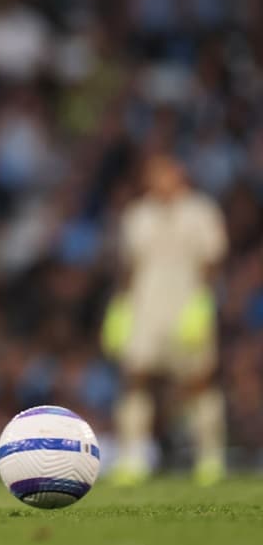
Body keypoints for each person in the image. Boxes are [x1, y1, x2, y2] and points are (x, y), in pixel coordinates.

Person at [103, 152, 229, 486]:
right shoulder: (137, 215)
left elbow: (213, 261)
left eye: (165, 174)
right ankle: (133, 458)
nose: (159, 181)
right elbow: (128, 266)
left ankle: (210, 458)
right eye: (152, 175)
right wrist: (120, 308)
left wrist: (203, 305)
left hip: (186, 305)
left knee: (198, 381)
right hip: (145, 309)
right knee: (135, 378)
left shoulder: (201, 211)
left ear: (179, 173)